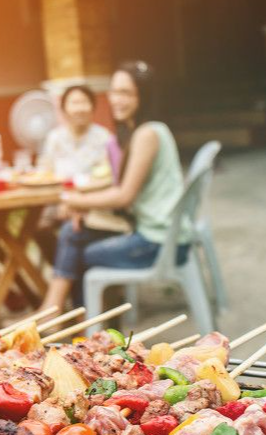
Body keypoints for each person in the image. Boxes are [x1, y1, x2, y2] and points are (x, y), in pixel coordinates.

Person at [41, 61, 189, 310]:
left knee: (82, 253)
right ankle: (66, 317)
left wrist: (75, 201)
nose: (116, 99)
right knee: (72, 233)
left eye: (126, 93)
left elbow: (124, 196)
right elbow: (118, 185)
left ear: (144, 96)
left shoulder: (147, 134)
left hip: (159, 242)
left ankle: (72, 320)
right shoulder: (138, 132)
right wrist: (81, 203)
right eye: (114, 91)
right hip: (153, 232)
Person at [38, 85, 113, 180]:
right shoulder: (55, 137)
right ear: (64, 109)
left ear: (93, 107)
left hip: (95, 192)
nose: (80, 109)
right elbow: (45, 173)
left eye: (84, 102)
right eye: (74, 103)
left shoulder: (104, 137)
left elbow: (110, 173)